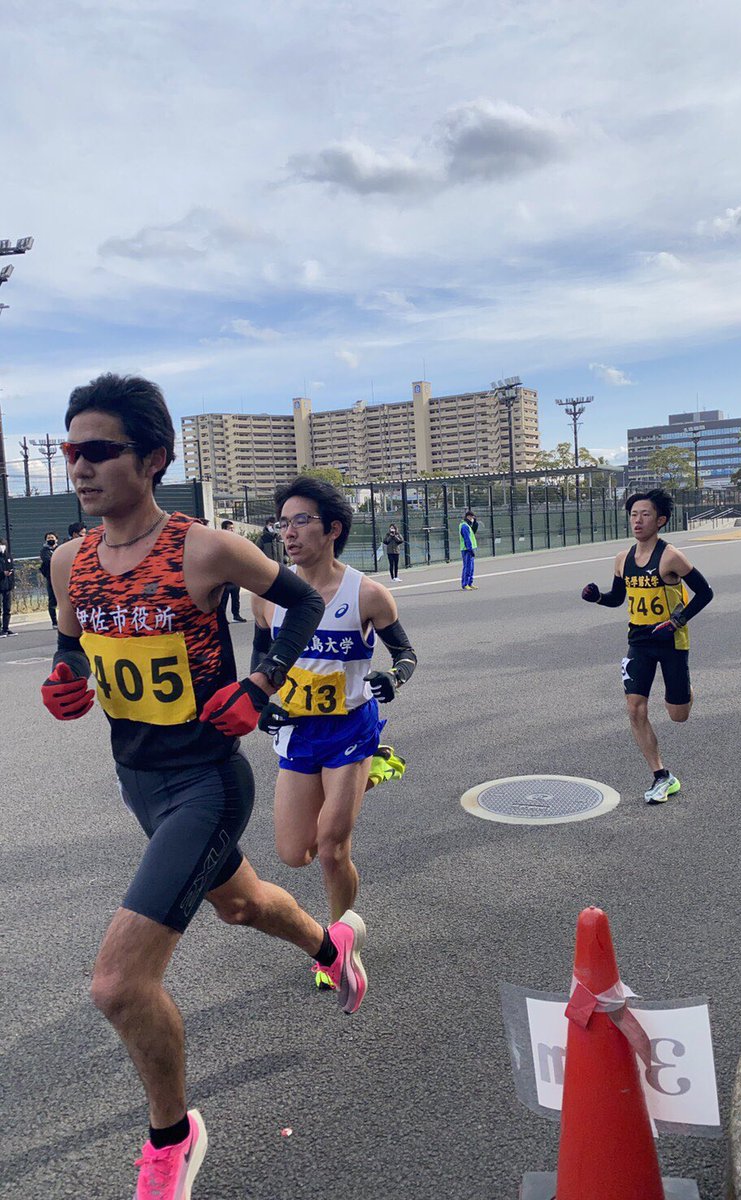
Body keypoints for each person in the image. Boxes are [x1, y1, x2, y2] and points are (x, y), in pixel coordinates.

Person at [41, 373, 368, 1200]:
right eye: (71, 450)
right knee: (243, 902)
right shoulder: (67, 561)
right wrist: (66, 673)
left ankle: (172, 1136)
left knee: (119, 983)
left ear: (153, 459)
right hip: (137, 781)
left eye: (100, 451)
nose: (79, 467)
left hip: (206, 783)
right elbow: (74, 643)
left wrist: (259, 688)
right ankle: (332, 945)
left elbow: (298, 610)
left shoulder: (204, 548)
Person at [250, 476, 415, 989]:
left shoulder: (367, 593)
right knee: (292, 853)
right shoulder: (268, 596)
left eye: (301, 521)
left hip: (349, 727)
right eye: (284, 523)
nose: (289, 533)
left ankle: (342, 945)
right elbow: (260, 663)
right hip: (299, 734)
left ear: (333, 529)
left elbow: (406, 653)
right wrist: (262, 707)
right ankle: (366, 776)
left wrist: (394, 676)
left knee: (330, 847)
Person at [581, 488, 713, 804]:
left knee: (678, 714)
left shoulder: (671, 557)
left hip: (671, 641)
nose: (638, 521)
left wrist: (678, 620)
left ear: (661, 520)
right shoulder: (622, 559)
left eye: (646, 514)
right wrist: (598, 597)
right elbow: (617, 599)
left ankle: (685, 691)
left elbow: (705, 593)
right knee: (634, 707)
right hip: (638, 640)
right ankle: (661, 776)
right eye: (633, 515)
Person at [218, 520, 247, 622]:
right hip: (225, 576)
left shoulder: (235, 541)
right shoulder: (219, 542)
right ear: (224, 529)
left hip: (235, 576)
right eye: (230, 528)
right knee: (223, 599)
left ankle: (236, 615)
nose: (232, 530)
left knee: (236, 597)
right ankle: (223, 618)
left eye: (232, 528)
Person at [40, 531, 60, 627]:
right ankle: (54, 622)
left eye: (52, 537)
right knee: (52, 600)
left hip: (62, 577)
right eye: (48, 538)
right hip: (51, 578)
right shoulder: (44, 551)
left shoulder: (61, 549)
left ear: (56, 539)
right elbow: (47, 561)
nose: (50, 539)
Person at [0, 535, 16, 637]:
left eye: (2, 544)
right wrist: (2, 573)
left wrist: (12, 583)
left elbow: (12, 569)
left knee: (7, 608)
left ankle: (6, 628)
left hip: (7, 586)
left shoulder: (8, 556)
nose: (2, 546)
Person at [459, 510, 477, 590]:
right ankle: (465, 584)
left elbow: (473, 532)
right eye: (472, 517)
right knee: (467, 567)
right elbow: (467, 539)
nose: (472, 519)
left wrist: (475, 523)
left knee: (471, 567)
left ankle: (470, 583)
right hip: (466, 549)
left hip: (470, 548)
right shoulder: (464, 526)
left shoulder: (467, 525)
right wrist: (470, 549)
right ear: (468, 517)